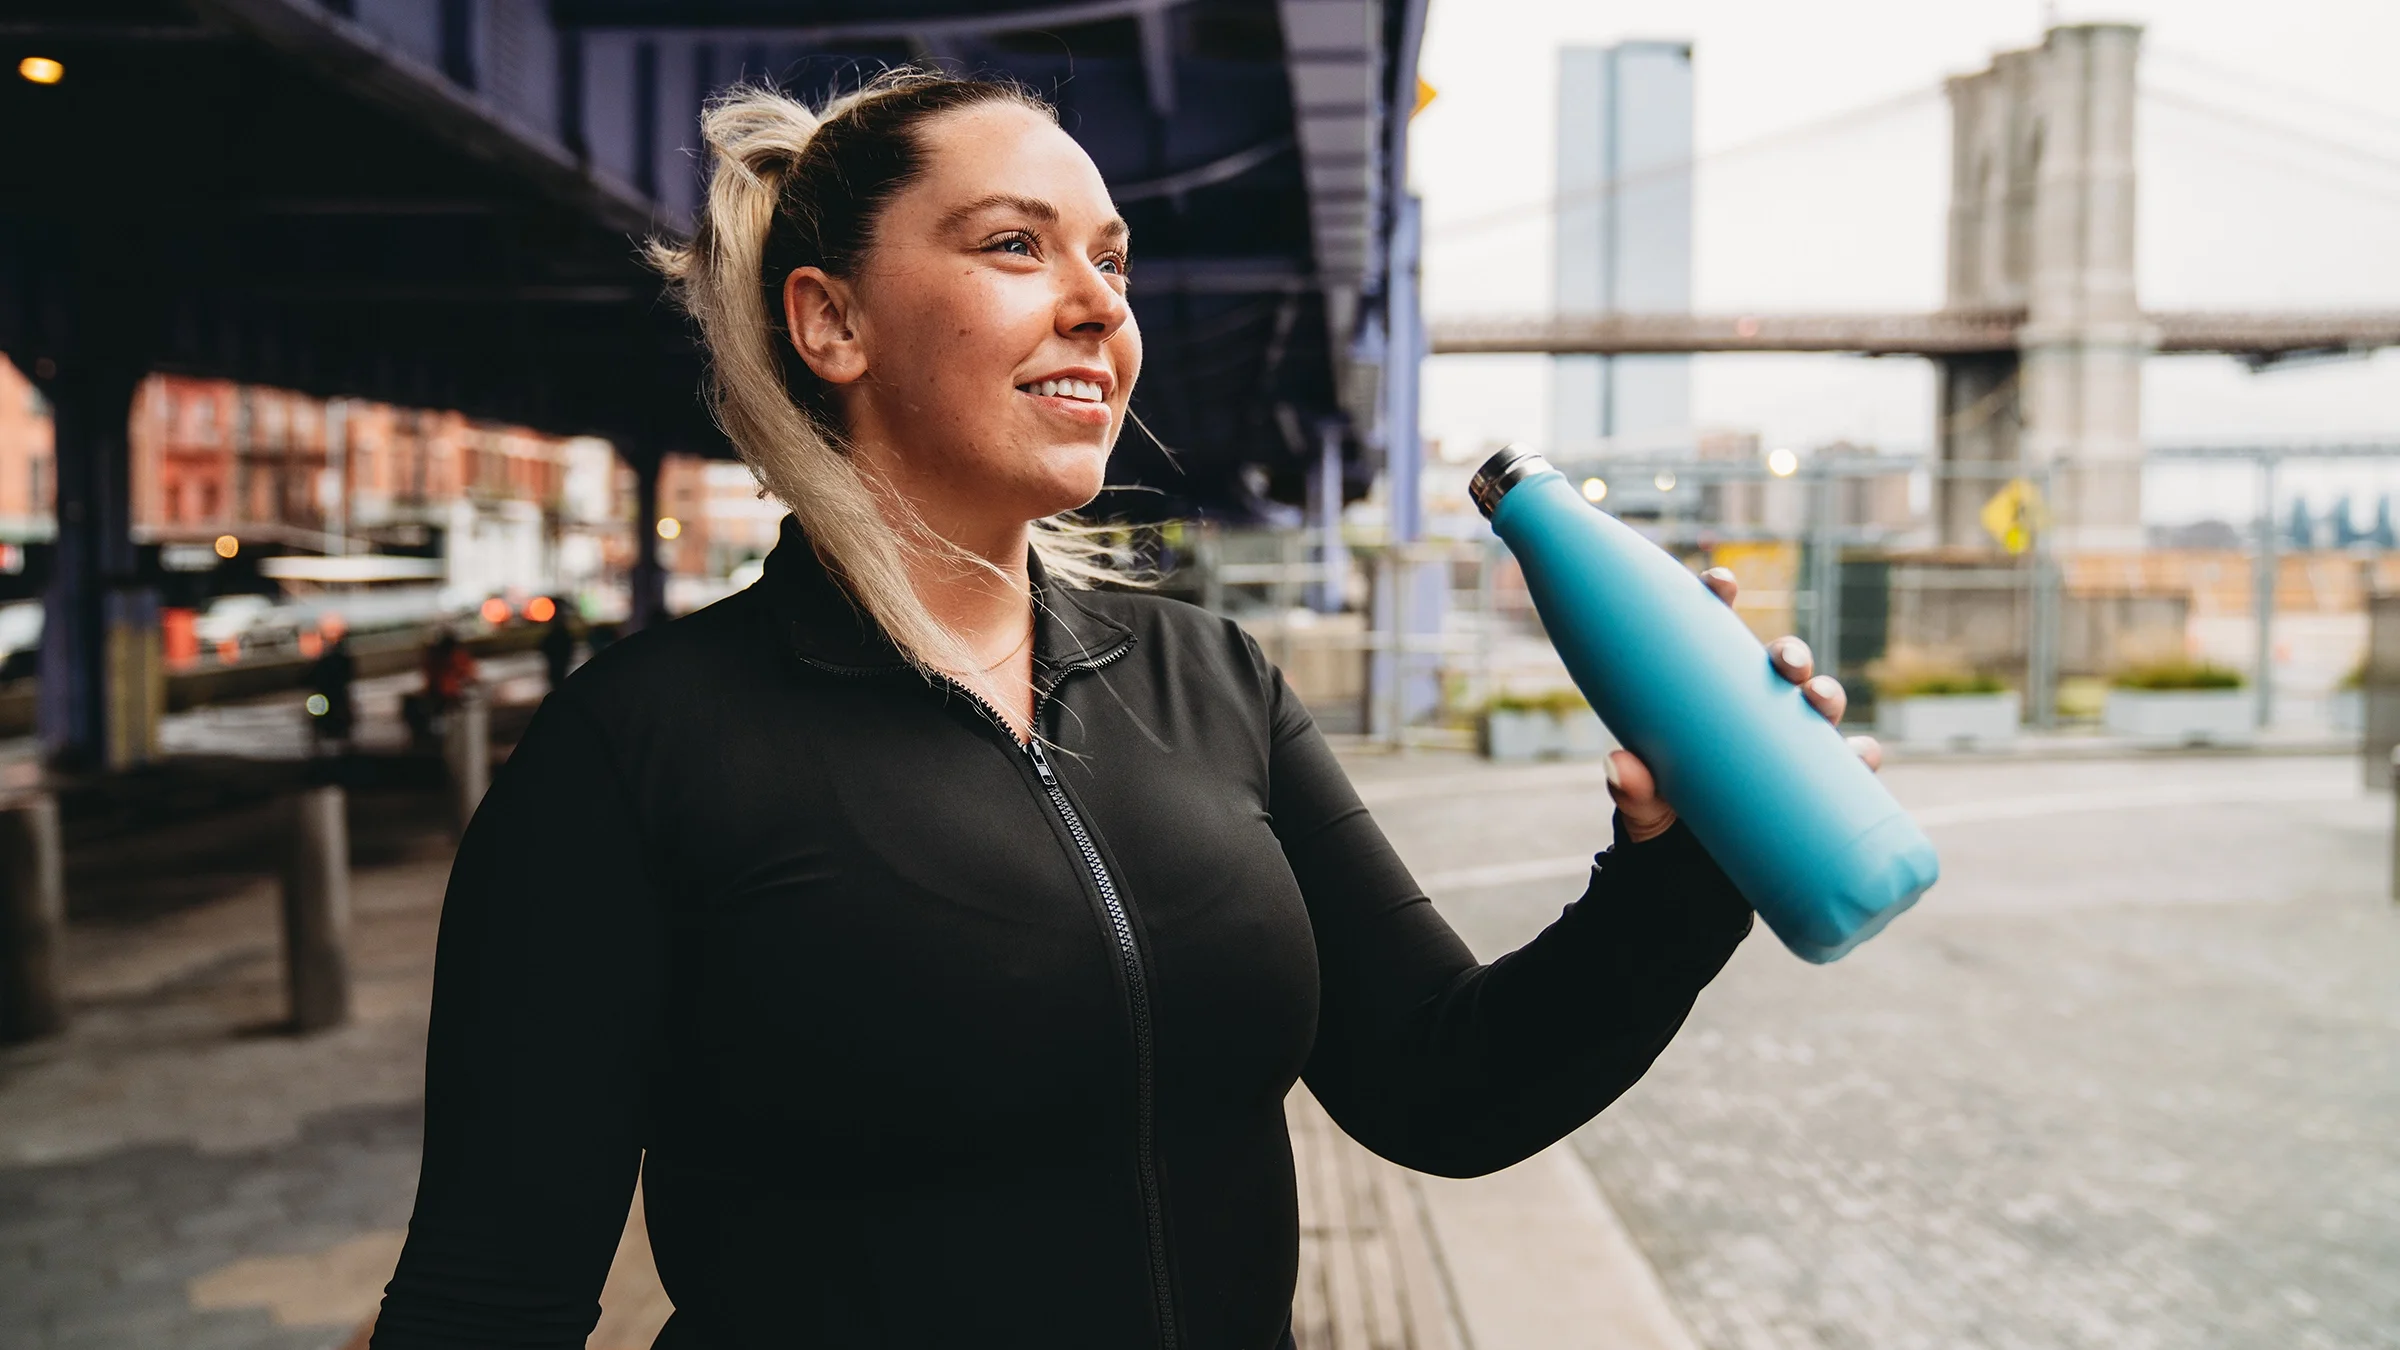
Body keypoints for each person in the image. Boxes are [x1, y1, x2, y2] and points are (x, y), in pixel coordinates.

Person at [371, 72, 1876, 1349]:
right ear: (831, 323)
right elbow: (492, 1289)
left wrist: (1683, 867)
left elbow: (1443, 1082)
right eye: (1015, 246)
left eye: (1114, 261)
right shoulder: (636, 750)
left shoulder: (1209, 680)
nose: (1099, 305)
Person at [538, 597, 577, 692]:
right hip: (559, 659)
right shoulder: (562, 629)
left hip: (557, 659)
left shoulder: (557, 630)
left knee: (557, 678)